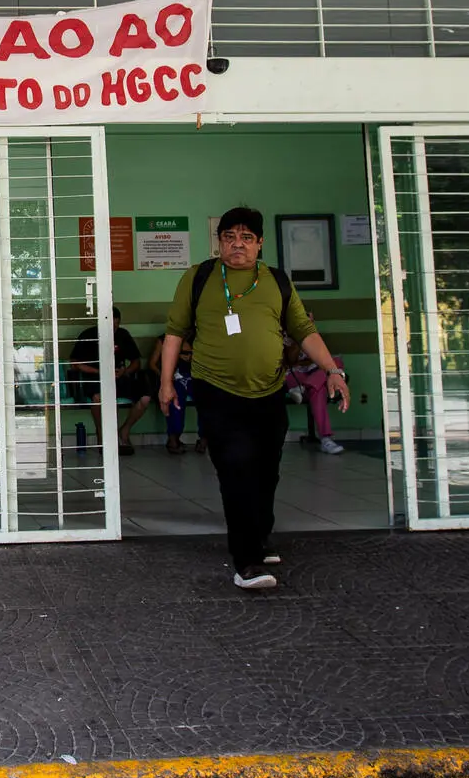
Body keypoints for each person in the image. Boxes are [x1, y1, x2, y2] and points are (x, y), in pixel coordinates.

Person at [158, 207, 349, 589]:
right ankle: (245, 562)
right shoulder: (199, 277)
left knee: (267, 470)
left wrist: (332, 370)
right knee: (235, 468)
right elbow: (175, 332)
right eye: (229, 237)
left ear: (260, 243)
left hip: (268, 392)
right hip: (216, 390)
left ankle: (259, 538)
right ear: (219, 242)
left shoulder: (275, 280)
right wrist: (166, 383)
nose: (237, 245)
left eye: (246, 238)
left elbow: (303, 329)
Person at [69, 307, 156, 455]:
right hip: (95, 378)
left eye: (116, 325)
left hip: (119, 377)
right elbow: (75, 364)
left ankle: (124, 431)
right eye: (110, 325)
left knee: (145, 398)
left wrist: (125, 371)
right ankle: (102, 434)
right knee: (97, 398)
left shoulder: (123, 335)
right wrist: (100, 371)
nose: (113, 328)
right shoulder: (88, 335)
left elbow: (136, 362)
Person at [282, 336, 345, 454]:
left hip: (309, 378)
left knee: (336, 363)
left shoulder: (313, 336)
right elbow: (289, 361)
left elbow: (322, 359)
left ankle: (307, 386)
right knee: (318, 389)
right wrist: (297, 342)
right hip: (295, 375)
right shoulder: (284, 337)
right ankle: (326, 439)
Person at [147, 334, 198, 454]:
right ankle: (173, 438)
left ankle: (204, 439)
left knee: (207, 399)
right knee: (176, 400)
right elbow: (152, 364)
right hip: (172, 378)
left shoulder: (195, 338)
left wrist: (190, 356)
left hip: (193, 377)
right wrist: (166, 378)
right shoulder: (163, 340)